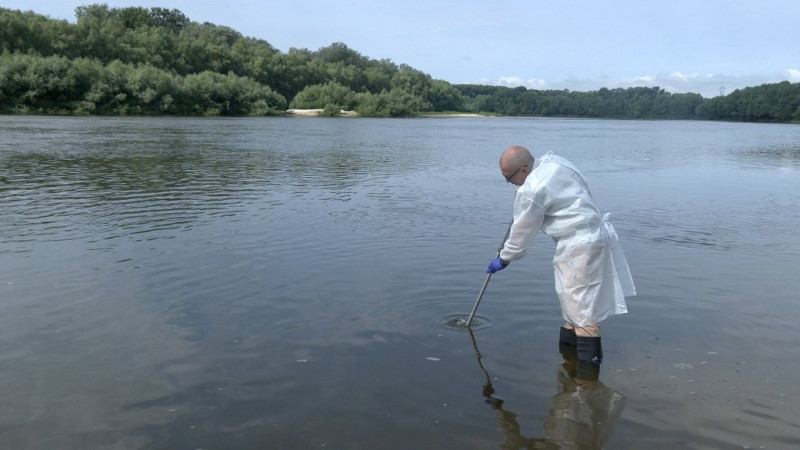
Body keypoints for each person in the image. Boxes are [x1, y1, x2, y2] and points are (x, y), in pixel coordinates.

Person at [486, 145, 636, 366]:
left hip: (579, 246)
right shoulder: (556, 162)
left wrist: (505, 258)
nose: (509, 183)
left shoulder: (531, 189)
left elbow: (523, 231)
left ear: (524, 170)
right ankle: (569, 365)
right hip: (591, 235)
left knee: (584, 316)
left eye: (509, 178)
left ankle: (587, 383)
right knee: (572, 308)